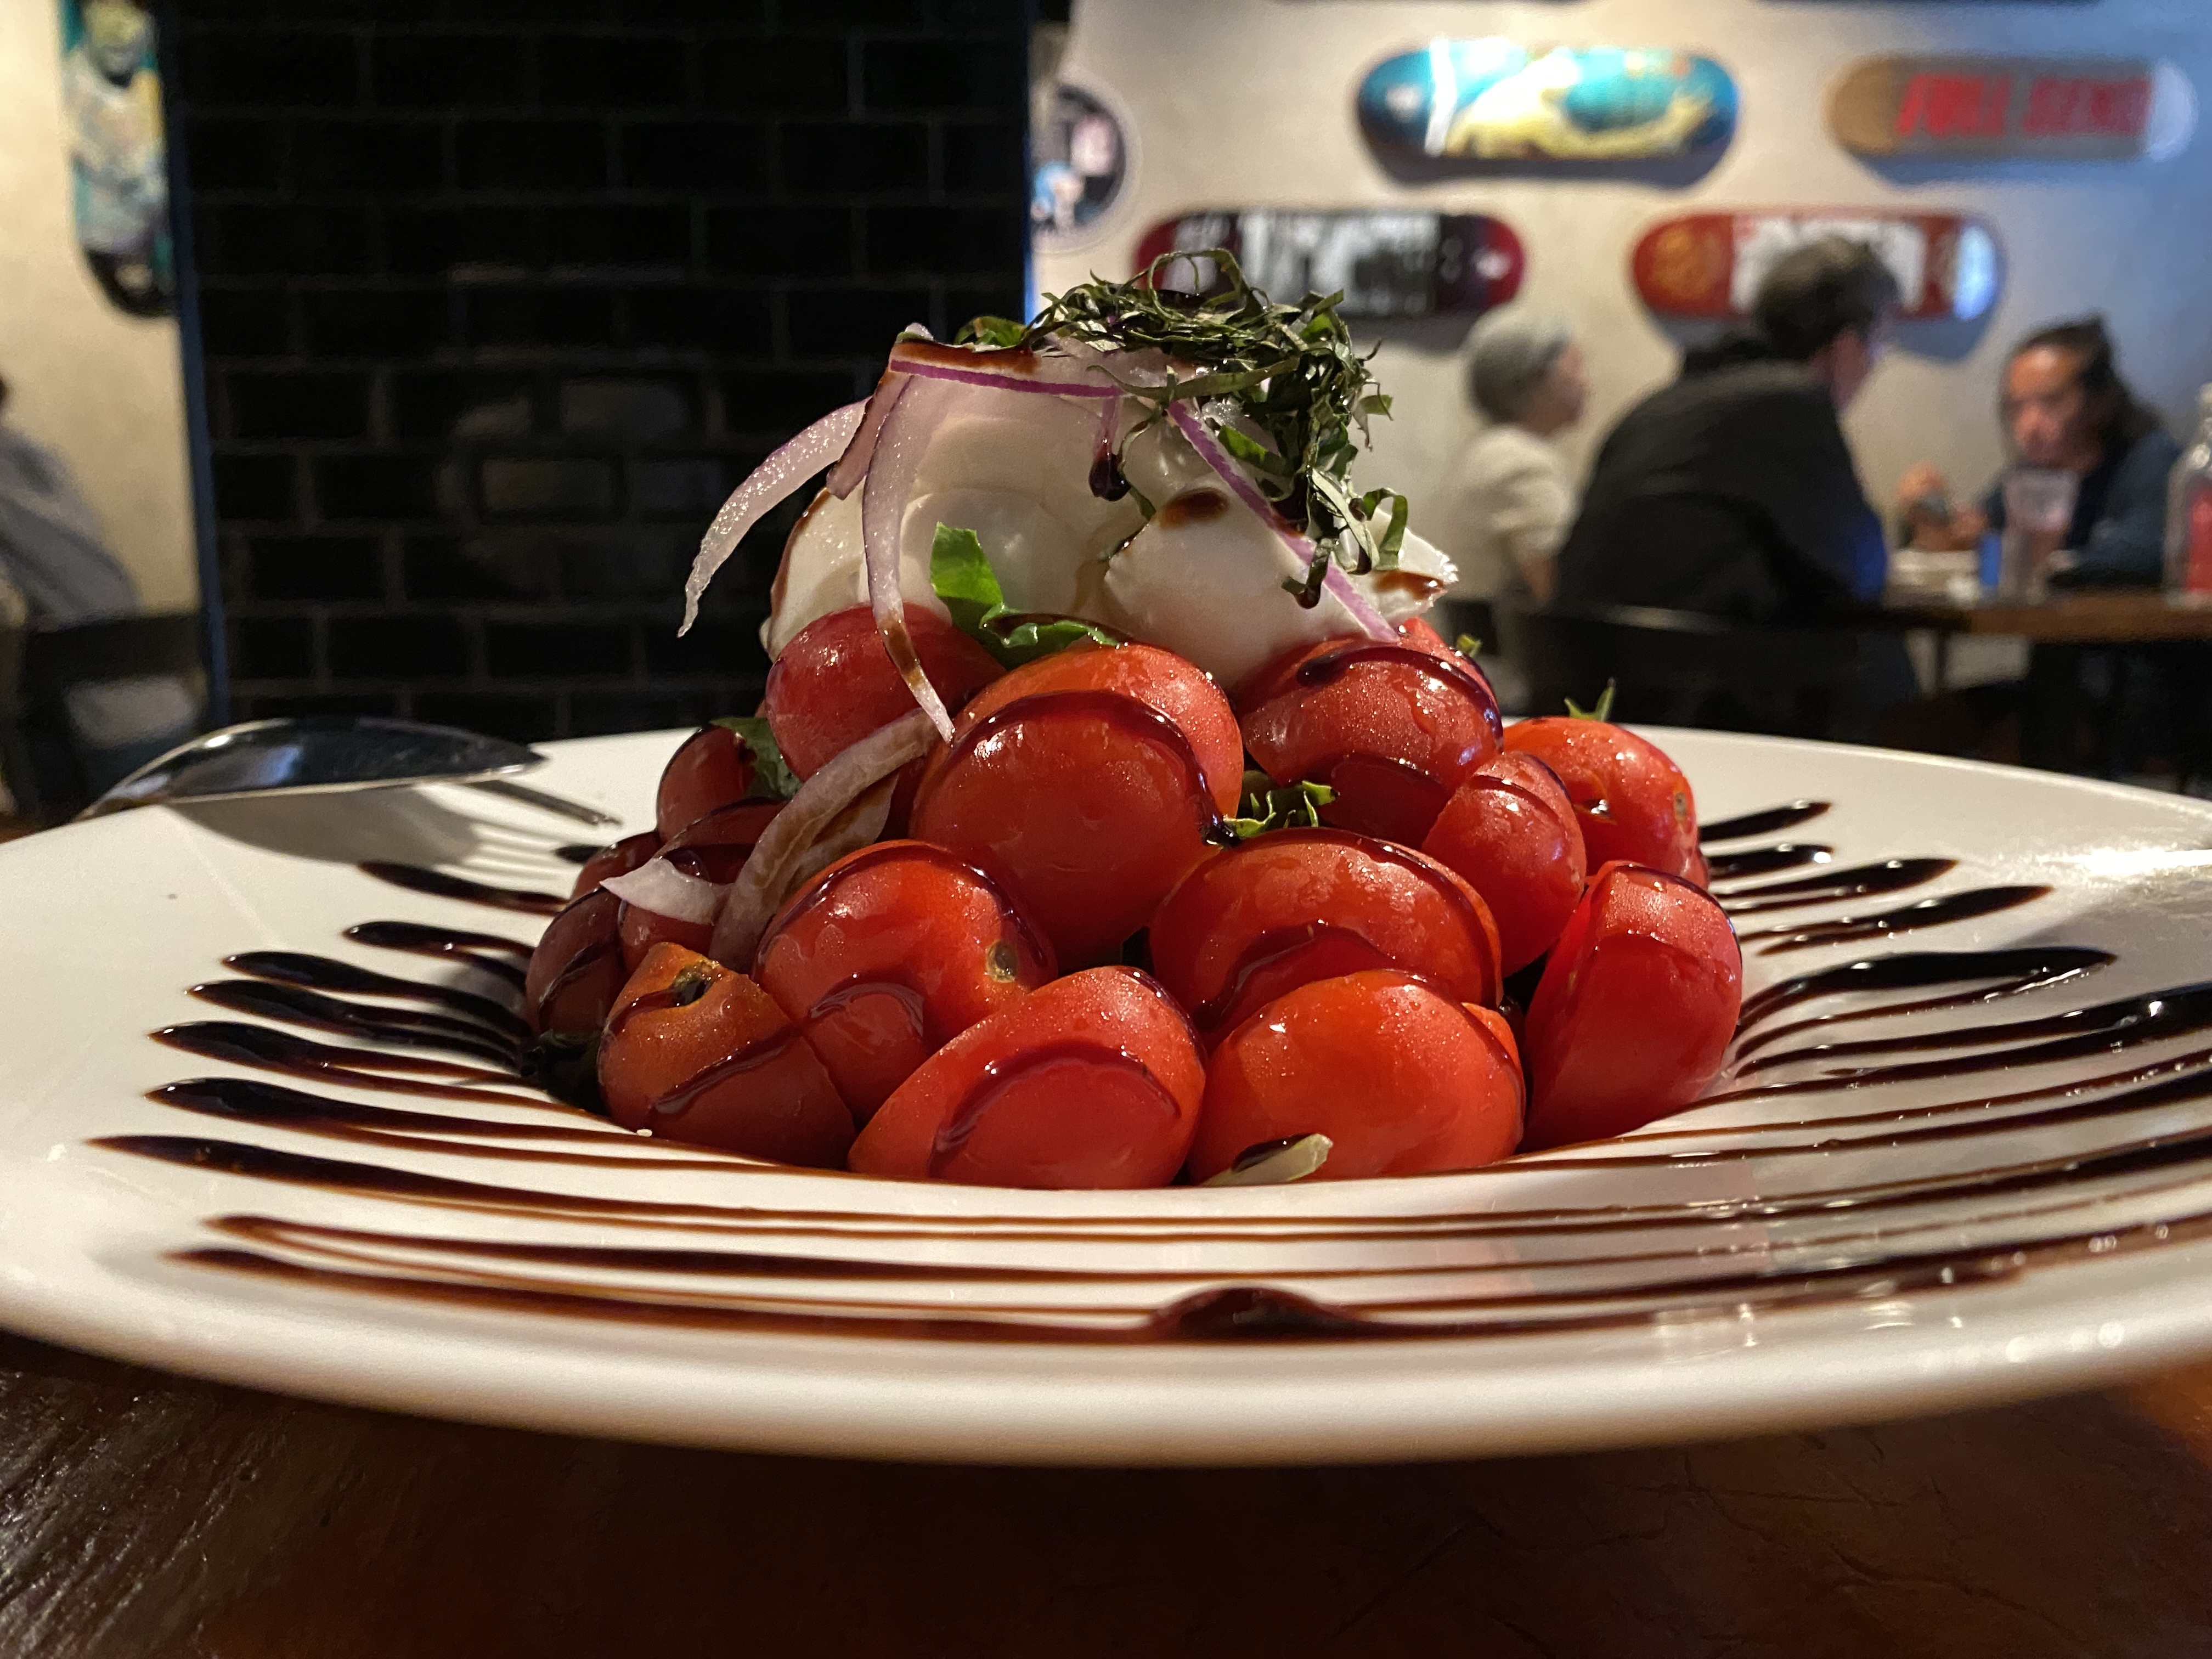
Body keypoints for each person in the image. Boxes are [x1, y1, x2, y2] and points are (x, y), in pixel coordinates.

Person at [1555, 236, 1900, 620]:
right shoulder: (1792, 402)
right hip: (1696, 670)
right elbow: (1861, 568)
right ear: (1846, 347)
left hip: (1584, 669)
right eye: (1880, 345)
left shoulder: (1665, 401)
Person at [1898, 317, 2180, 586]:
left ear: (2101, 401)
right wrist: (1932, 520)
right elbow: (1974, 532)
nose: (2029, 425)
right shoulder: (2031, 476)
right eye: (2017, 407)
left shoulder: (2153, 462)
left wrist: (2052, 564)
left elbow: (2150, 552)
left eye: (2052, 401)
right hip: (2053, 634)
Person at [1435, 309, 1587, 612]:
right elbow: (1558, 591)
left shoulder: (1492, 449)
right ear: (1534, 379)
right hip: (1499, 656)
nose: (1585, 383)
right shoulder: (1522, 463)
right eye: (1575, 368)